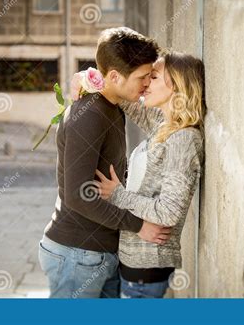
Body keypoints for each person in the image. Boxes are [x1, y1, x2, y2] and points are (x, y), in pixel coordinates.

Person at [38, 27, 171, 298]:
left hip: (100, 254)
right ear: (114, 76)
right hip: (77, 255)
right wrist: (139, 225)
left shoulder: (113, 104)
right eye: (142, 77)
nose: (147, 83)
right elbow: (77, 195)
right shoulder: (88, 116)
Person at [94, 51, 205, 298]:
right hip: (132, 261)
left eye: (153, 77)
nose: (145, 84)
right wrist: (90, 78)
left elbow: (169, 211)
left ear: (176, 85)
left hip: (147, 266)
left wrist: (118, 196)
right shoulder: (164, 126)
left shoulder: (184, 139)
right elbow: (127, 99)